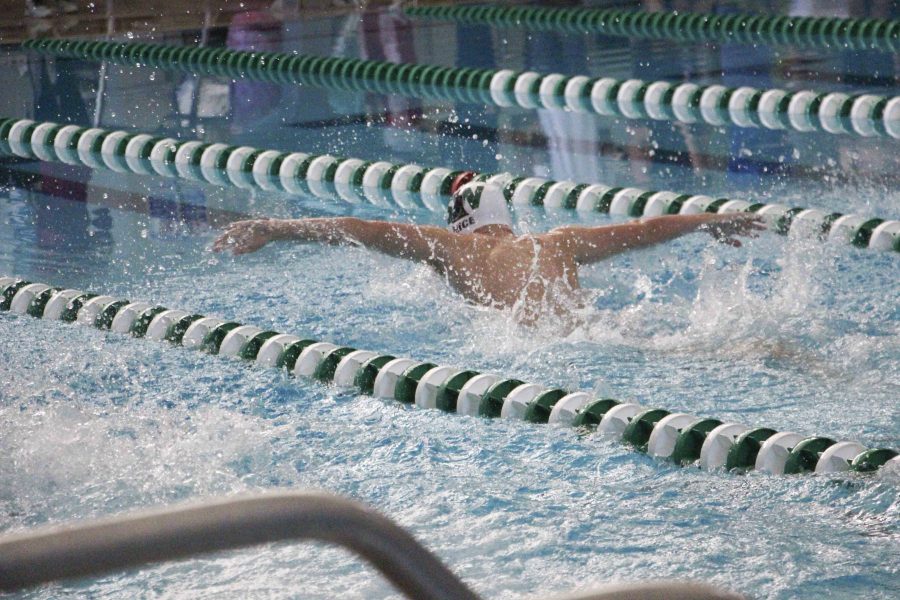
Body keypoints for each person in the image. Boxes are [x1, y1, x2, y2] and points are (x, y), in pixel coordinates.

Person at [212, 176, 764, 325]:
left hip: (534, 355)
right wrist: (709, 220)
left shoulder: (452, 250)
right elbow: (643, 228)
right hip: (593, 330)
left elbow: (364, 228)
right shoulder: (557, 242)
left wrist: (277, 227)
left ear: (461, 222)